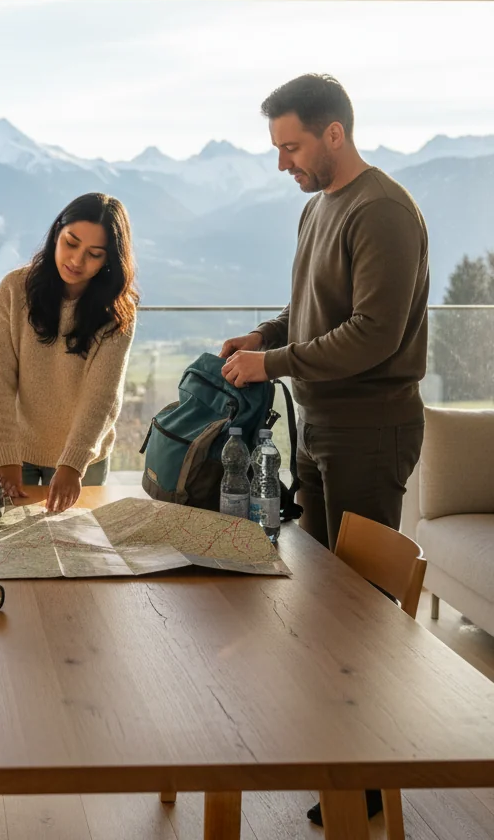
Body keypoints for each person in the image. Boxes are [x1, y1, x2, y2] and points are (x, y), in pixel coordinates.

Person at [219, 74, 429, 827]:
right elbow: (311, 308)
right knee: (320, 605)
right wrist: (265, 336)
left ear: (333, 134)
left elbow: (373, 332)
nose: (284, 164)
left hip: (371, 428)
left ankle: (368, 779)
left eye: (291, 146)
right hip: (324, 424)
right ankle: (334, 752)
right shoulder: (320, 209)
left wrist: (270, 366)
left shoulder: (383, 212)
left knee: (363, 614)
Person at [0, 193, 138, 513]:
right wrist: (6, 456)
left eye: (94, 254)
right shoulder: (14, 289)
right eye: (71, 243)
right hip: (11, 447)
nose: (77, 261)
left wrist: (73, 464)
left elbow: (103, 396)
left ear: (109, 260)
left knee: (80, 550)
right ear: (56, 234)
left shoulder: (119, 312)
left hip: (81, 457)